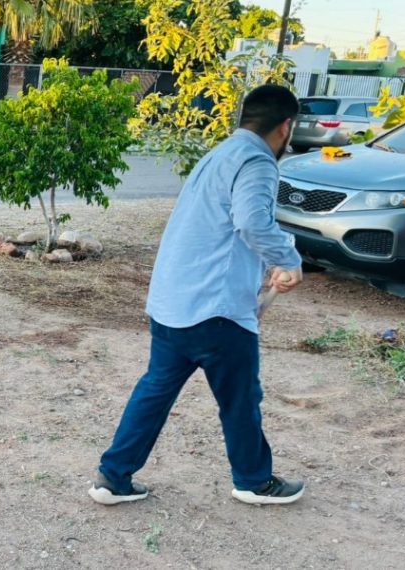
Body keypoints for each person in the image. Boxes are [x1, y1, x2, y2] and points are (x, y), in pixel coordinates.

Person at [88, 84, 305, 507]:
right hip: (215, 310)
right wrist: (288, 258)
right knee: (240, 399)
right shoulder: (258, 161)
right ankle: (254, 480)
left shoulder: (219, 155)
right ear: (286, 127)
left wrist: (268, 265)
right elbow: (251, 221)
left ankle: (112, 477)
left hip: (173, 301)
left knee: (154, 392)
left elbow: (222, 227)